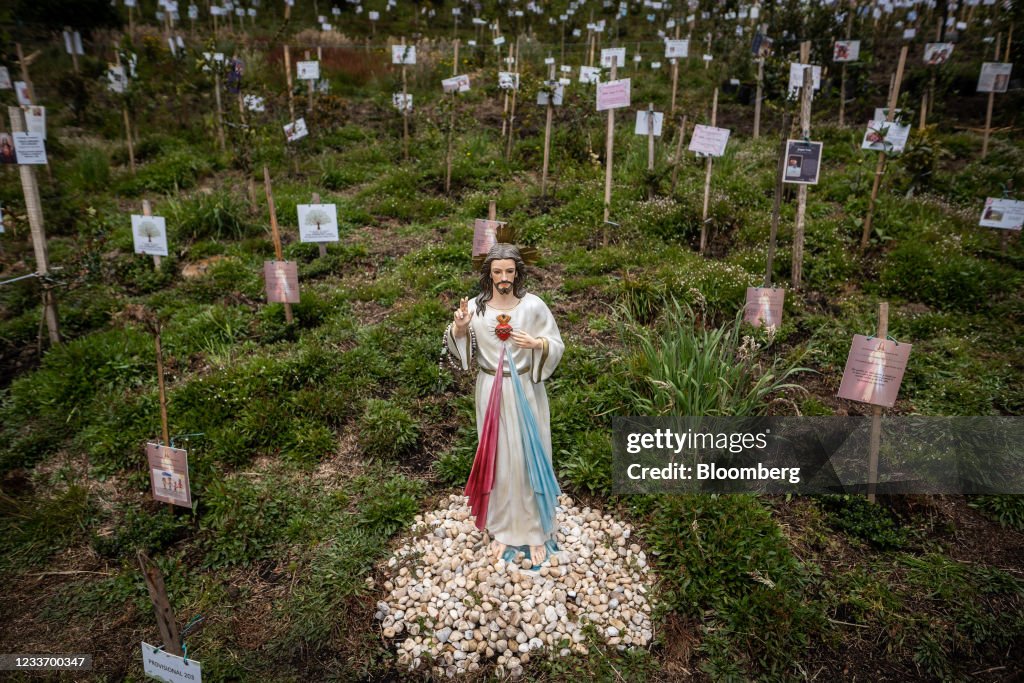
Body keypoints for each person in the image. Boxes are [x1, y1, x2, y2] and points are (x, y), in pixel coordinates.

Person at [445, 243, 564, 567]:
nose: (504, 278)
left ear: (518, 272)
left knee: (528, 459)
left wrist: (537, 343)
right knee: (497, 459)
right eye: (497, 271)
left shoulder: (533, 306)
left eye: (509, 271)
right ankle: (502, 530)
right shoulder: (474, 308)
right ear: (488, 274)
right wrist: (458, 327)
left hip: (525, 389)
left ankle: (536, 531)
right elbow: (458, 344)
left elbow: (556, 343)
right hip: (490, 392)